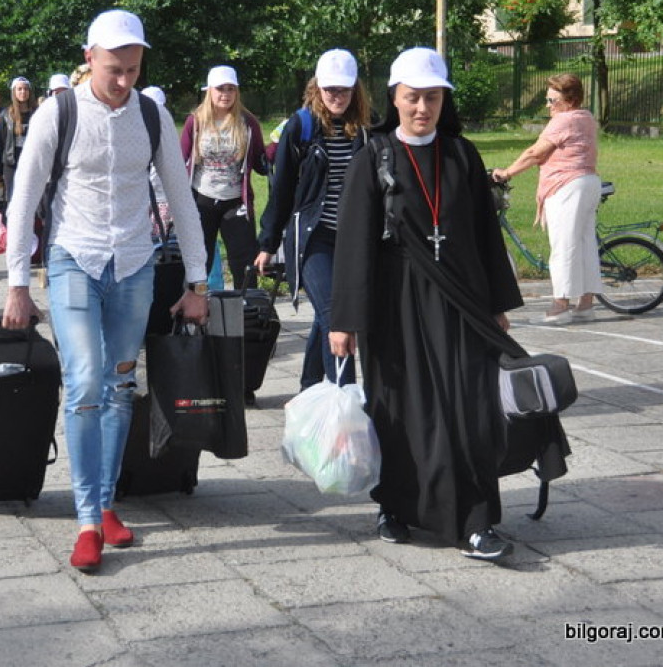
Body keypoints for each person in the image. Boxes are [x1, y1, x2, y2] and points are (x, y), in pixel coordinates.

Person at [2, 9, 209, 573]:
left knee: (121, 386)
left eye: (134, 69)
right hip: (75, 257)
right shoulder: (57, 112)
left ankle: (107, 503)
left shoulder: (151, 113)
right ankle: (87, 520)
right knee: (86, 382)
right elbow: (23, 198)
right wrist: (18, 282)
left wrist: (198, 280)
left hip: (135, 264)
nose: (124, 81)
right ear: (89, 57)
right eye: (114, 69)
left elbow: (180, 195)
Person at [329, 47, 522, 561]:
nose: (422, 108)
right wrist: (345, 319)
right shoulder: (374, 155)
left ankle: (478, 520)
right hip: (395, 305)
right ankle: (395, 506)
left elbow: (486, 235)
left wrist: (499, 302)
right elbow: (354, 243)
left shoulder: (463, 155)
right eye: (413, 97)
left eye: (432, 98)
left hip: (461, 300)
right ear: (395, 98)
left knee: (471, 407)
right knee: (400, 408)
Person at [255, 49, 371, 388]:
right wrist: (268, 242)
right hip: (311, 237)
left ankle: (308, 388)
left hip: (351, 239)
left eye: (344, 90)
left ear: (355, 89)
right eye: (330, 89)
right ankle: (343, 397)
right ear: (317, 87)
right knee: (335, 316)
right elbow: (282, 189)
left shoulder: (366, 128)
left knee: (326, 317)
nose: (337, 96)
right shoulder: (301, 127)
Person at [492, 73, 601, 324]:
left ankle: (560, 305)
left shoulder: (563, 120)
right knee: (584, 245)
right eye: (547, 99)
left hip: (567, 187)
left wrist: (506, 172)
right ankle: (585, 304)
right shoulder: (586, 117)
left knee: (563, 247)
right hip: (588, 182)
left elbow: (535, 153)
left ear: (569, 100)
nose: (548, 106)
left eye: (552, 100)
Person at [179, 65, 267, 290]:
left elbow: (260, 162)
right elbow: (180, 161)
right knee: (200, 260)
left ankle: (247, 312)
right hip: (202, 199)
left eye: (230, 89)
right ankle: (194, 313)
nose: (225, 94)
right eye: (220, 89)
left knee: (243, 261)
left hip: (236, 200)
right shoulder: (195, 121)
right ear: (209, 90)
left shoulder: (248, 123)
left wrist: (280, 146)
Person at [0, 76, 37, 203]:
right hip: (12, 162)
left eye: (25, 89)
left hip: (31, 161)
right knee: (12, 198)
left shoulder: (37, 112)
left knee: (30, 198)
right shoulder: (6, 114)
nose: (23, 92)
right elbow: (0, 143)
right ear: (14, 92)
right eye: (19, 89)